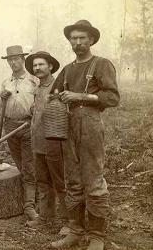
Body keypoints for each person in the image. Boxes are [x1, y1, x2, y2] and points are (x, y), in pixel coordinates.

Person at [49, 20, 120, 250]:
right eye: (74, 38)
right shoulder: (67, 69)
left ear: (91, 40)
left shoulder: (101, 65)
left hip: (90, 125)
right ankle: (76, 232)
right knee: (73, 180)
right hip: (67, 126)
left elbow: (113, 98)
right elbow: (54, 94)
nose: (77, 42)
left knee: (94, 180)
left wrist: (80, 96)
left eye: (82, 38)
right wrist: (57, 98)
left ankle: (97, 235)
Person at [24, 51, 69, 235]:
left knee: (60, 181)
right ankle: (45, 217)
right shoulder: (38, 88)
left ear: (50, 66)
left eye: (41, 64)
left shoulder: (58, 86)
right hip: (37, 142)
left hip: (54, 141)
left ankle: (68, 221)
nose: (37, 68)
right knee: (42, 180)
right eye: (35, 66)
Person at [0, 45, 39, 220]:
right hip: (10, 127)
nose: (13, 62)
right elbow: (4, 105)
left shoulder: (33, 80)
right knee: (19, 164)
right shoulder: (6, 82)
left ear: (23, 60)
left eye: (16, 59)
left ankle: (29, 206)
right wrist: (2, 97)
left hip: (27, 126)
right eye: (10, 60)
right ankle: (28, 197)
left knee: (29, 166)